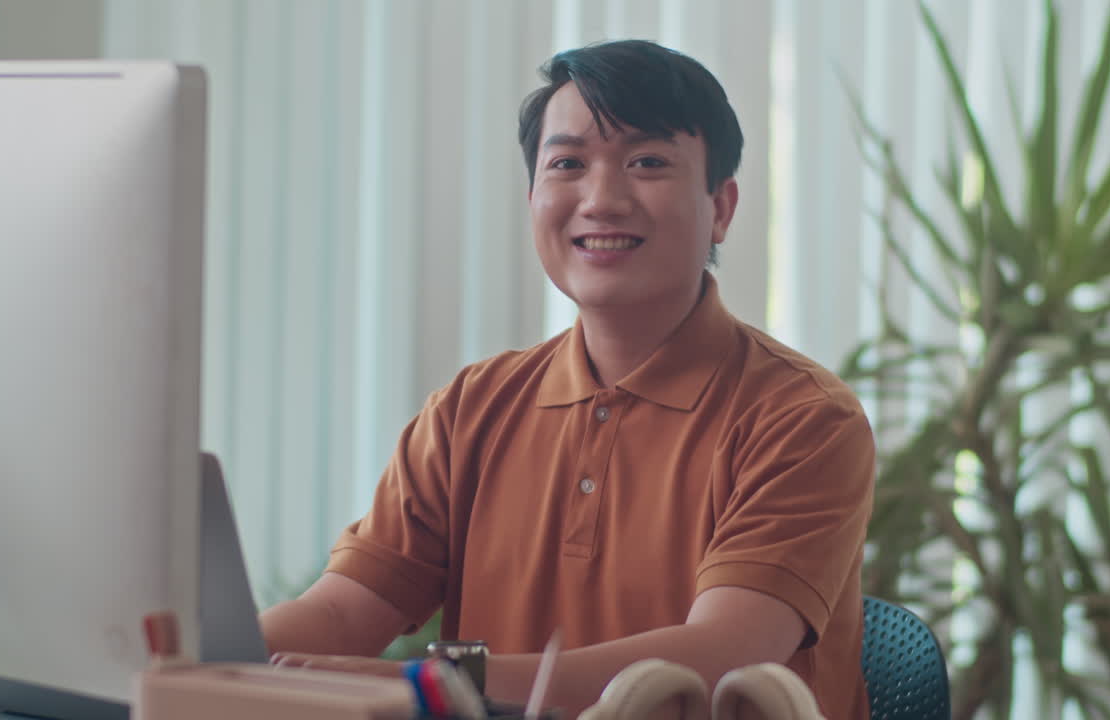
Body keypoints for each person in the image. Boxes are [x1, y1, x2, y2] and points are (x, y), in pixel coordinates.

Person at [260, 39, 874, 719]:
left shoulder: (803, 417)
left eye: (647, 162)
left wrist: (432, 683)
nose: (601, 198)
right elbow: (343, 616)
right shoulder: (471, 410)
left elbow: (717, 654)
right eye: (568, 164)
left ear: (721, 208)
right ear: (533, 199)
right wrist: (193, 649)